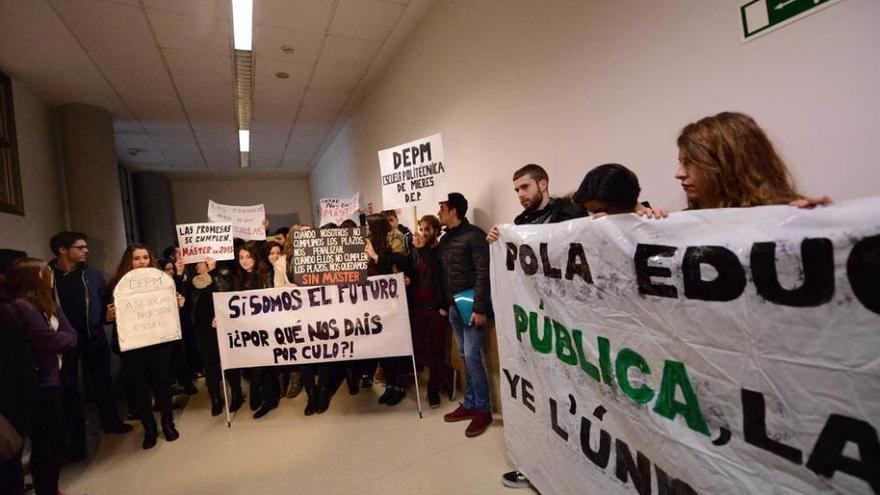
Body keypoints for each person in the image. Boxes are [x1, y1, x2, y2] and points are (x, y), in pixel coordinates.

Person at [48, 231, 131, 462]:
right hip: (64, 342)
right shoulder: (47, 276)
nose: (86, 251)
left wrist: (107, 316)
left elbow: (105, 304)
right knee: (70, 392)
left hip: (93, 336)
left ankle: (111, 423)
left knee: (103, 382)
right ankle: (76, 442)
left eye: (86, 246)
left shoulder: (93, 275)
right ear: (63, 250)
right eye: (80, 247)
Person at [7, 258, 78, 495]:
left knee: (55, 438)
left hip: (56, 375)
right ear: (37, 276)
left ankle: (50, 488)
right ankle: (46, 489)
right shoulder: (23, 307)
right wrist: (65, 341)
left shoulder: (47, 302)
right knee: (47, 441)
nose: (50, 275)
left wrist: (65, 340)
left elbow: (69, 332)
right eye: (46, 272)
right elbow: (48, 339)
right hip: (41, 382)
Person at [107, 244, 182, 449]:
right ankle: (149, 428)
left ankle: (167, 423)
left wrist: (178, 304)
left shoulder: (162, 281)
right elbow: (106, 317)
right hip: (132, 345)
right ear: (128, 261)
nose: (142, 262)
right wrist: (108, 316)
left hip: (159, 341)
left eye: (145, 258)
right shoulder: (117, 285)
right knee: (140, 388)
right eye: (137, 258)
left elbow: (170, 309)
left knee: (162, 384)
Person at [675, 112, 831, 210]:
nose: (679, 174)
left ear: (728, 164)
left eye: (691, 162)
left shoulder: (790, 215)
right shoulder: (686, 226)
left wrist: (818, 222)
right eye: (680, 163)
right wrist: (653, 225)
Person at [437, 193, 493, 438]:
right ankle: (470, 402)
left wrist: (480, 308)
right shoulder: (445, 239)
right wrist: (444, 303)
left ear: (453, 210)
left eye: (442, 208)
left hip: (471, 306)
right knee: (463, 354)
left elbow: (483, 272)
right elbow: (443, 273)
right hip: (453, 307)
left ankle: (483, 409)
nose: (439, 212)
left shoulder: (475, 235)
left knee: (472, 355)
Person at [364, 214, 413, 406]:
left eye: (369, 226)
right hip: (375, 301)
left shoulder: (394, 238)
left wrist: (375, 256)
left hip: (394, 300)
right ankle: (390, 385)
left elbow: (398, 263)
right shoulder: (369, 241)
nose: (366, 229)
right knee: (383, 345)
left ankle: (398, 385)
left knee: (396, 344)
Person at [0, 250, 37, 495]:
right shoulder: (6, 309)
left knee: (13, 448)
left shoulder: (13, 304)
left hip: (16, 388)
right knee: (7, 449)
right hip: (9, 390)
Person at [186, 258, 242, 416]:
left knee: (229, 363)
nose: (200, 264)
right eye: (197, 263)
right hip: (202, 330)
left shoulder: (221, 275)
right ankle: (215, 400)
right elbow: (189, 304)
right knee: (210, 366)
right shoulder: (191, 283)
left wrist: (213, 272)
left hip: (223, 325)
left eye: (202, 261)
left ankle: (237, 396)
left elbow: (225, 292)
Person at [409, 215, 454, 408]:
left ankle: (433, 389)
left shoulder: (439, 250)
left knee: (436, 350)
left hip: (437, 309)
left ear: (436, 230)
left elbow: (439, 272)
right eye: (421, 228)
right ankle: (445, 372)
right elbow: (415, 272)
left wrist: (444, 306)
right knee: (418, 348)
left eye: (428, 229)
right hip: (419, 307)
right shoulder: (418, 250)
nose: (424, 233)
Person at [232, 241, 279, 419]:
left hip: (265, 327)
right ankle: (262, 394)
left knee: (265, 365)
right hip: (247, 331)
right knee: (256, 365)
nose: (244, 261)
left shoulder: (265, 274)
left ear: (255, 258)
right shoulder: (238, 277)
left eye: (248, 257)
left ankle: (268, 398)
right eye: (241, 258)